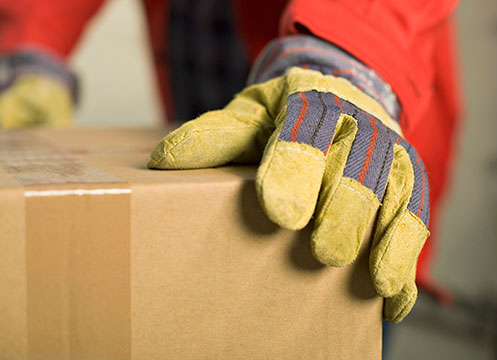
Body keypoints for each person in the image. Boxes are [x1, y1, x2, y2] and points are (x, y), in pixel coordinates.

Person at [0, 0, 461, 323]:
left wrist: (344, 56)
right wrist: (35, 45)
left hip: (345, 106)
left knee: (336, 277)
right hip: (206, 78)